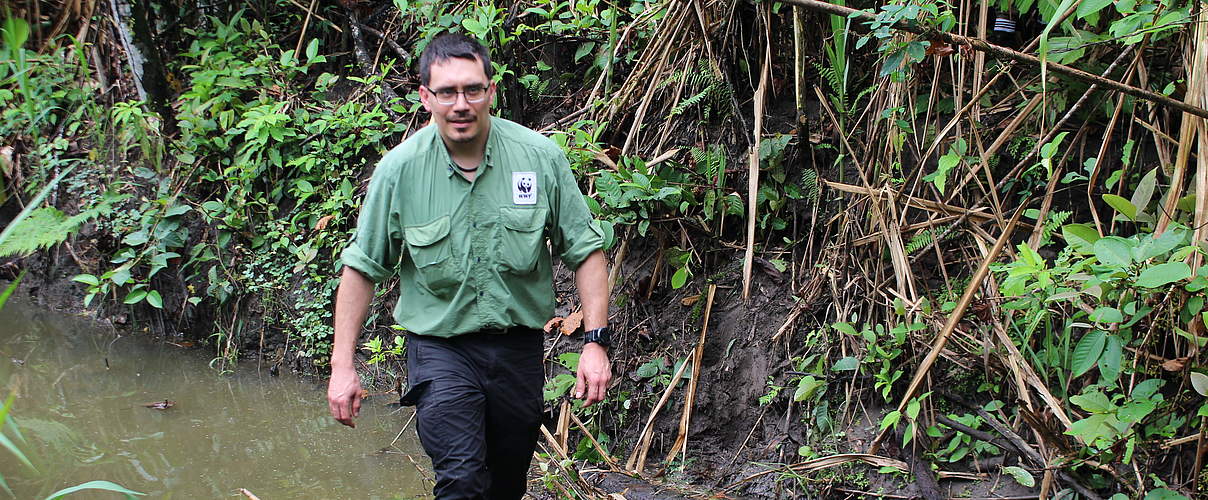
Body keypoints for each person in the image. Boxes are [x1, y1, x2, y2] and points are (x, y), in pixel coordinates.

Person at [326, 32, 613, 500]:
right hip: (441, 350)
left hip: (518, 349)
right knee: (461, 480)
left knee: (506, 484)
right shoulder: (399, 171)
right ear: (426, 97)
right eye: (446, 92)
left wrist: (595, 343)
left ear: (491, 92)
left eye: (472, 89)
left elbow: (585, 250)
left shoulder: (539, 159)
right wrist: (343, 366)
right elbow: (361, 269)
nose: (460, 103)